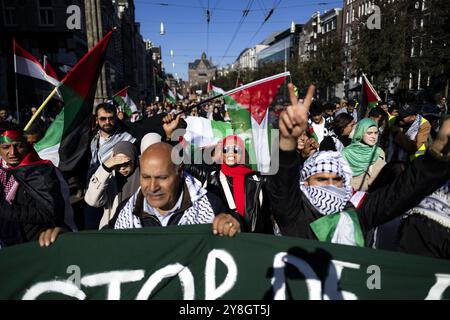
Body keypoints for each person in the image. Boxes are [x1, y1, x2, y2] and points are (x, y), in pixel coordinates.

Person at [267, 83, 450, 247]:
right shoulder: (293, 215)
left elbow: (402, 192)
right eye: (321, 178)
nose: (330, 184)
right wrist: (287, 141)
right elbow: (281, 183)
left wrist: (437, 155)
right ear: (305, 182)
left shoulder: (357, 215)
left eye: (336, 179)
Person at [107, 143, 240, 237]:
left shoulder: (211, 207)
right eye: (146, 177)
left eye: (162, 178)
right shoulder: (124, 212)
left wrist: (229, 227)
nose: (153, 187)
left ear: (180, 172)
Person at [187, 136, 274, 234]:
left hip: (256, 240)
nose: (231, 152)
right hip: (226, 238)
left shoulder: (259, 178)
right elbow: (184, 164)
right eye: (225, 149)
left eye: (236, 149)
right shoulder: (211, 176)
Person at [0, 123, 69, 247]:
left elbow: (49, 212)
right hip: (8, 243)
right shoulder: (3, 170)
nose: (12, 152)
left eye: (18, 146)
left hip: (35, 245)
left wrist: (6, 211)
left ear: (26, 146)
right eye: (6, 147)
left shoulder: (40, 172)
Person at [86, 103, 135, 229]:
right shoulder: (91, 139)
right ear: (96, 119)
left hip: (113, 194)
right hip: (92, 191)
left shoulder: (127, 138)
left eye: (111, 118)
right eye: (103, 118)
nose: (107, 122)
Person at [85, 142, 141, 229]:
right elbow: (92, 201)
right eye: (117, 164)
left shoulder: (143, 175)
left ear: (133, 159)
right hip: (114, 228)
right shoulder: (109, 177)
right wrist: (105, 168)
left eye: (126, 164)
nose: (122, 168)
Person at [342, 118, 386, 191]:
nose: (373, 137)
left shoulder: (379, 152)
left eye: (376, 133)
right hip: (352, 196)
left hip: (372, 197)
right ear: (360, 132)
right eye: (369, 133)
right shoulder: (346, 153)